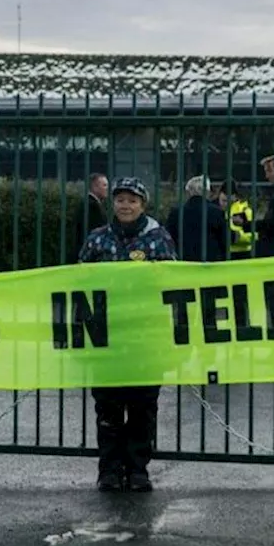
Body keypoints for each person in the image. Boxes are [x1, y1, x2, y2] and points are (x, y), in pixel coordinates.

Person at [78, 176, 178, 492]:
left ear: (142, 205)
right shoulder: (97, 240)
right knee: (107, 408)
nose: (125, 205)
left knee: (142, 407)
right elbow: (78, 281)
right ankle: (108, 470)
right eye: (120, 199)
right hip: (106, 339)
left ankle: (137, 470)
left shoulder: (159, 239)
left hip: (145, 340)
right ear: (112, 203)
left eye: (132, 200)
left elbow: (173, 281)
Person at [166, 175, 228, 262]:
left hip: (183, 264)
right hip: (210, 265)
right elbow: (224, 241)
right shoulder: (216, 212)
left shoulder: (176, 213)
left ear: (189, 192)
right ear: (207, 192)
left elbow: (168, 239)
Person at [223, 179, 255, 260]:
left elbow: (252, 236)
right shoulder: (225, 210)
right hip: (228, 252)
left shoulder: (246, 211)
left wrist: (235, 237)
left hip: (242, 253)